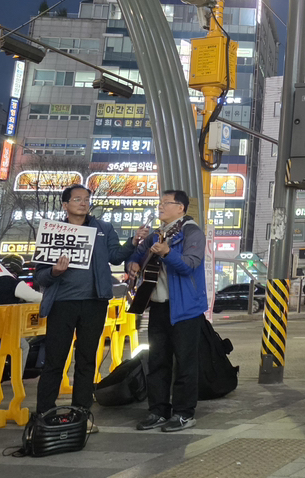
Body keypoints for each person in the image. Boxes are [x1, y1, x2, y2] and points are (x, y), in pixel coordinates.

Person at [35, 185, 147, 432]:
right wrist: (55, 271)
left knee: (87, 360)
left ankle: (81, 414)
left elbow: (115, 256)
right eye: (77, 199)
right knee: (54, 360)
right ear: (65, 205)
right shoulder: (53, 231)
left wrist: (133, 241)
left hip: (95, 302)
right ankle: (43, 414)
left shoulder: (103, 228)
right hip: (62, 303)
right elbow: (40, 276)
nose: (83, 203)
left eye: (86, 199)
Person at [129, 190, 207, 433]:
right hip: (158, 306)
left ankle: (184, 413)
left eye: (166, 203)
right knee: (157, 361)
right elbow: (136, 256)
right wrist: (132, 262)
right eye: (160, 203)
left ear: (180, 207)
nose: (160, 207)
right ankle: (158, 411)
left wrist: (167, 252)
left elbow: (190, 265)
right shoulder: (156, 234)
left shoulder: (192, 232)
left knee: (185, 363)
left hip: (185, 308)